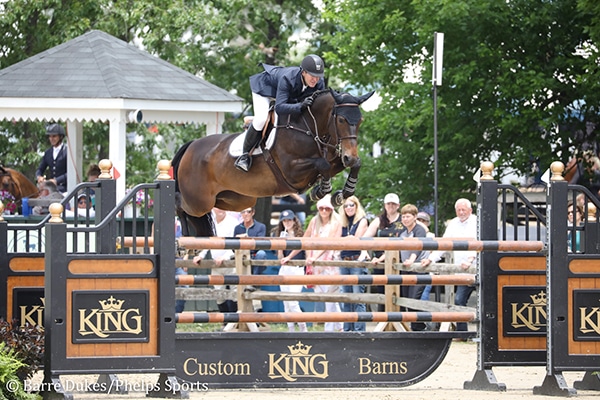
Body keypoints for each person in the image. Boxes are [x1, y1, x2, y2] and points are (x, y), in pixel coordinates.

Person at [234, 54, 326, 172]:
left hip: (287, 94)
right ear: (303, 72)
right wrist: (299, 106)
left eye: (318, 76)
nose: (315, 79)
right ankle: (244, 156)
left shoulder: (319, 83)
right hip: (265, 90)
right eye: (312, 76)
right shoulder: (288, 79)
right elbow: (280, 108)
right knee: (262, 118)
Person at [282, 195, 342, 332]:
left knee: (330, 297)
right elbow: (304, 240)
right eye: (321, 208)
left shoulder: (336, 222)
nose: (324, 211)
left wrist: (314, 257)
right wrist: (290, 256)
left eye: (327, 208)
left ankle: (330, 329)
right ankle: (340, 326)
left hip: (329, 263)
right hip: (315, 263)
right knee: (326, 297)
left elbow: (329, 243)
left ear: (331, 210)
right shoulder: (315, 221)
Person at [421, 198, 477, 333]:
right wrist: (431, 259)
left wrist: (470, 259)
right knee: (459, 300)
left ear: (470, 210)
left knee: (486, 302)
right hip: (462, 271)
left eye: (464, 209)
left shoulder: (477, 221)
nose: (461, 212)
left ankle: (485, 333)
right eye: (459, 210)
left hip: (478, 267)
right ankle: (462, 332)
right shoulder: (453, 223)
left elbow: (479, 242)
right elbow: (445, 244)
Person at [360, 193, 404, 311]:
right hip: (380, 263)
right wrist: (364, 251)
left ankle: (399, 320)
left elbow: (419, 229)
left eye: (393, 204)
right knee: (382, 293)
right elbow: (365, 238)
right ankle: (383, 321)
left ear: (398, 205)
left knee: (400, 293)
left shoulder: (403, 219)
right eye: (388, 204)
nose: (391, 206)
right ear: (384, 205)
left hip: (398, 263)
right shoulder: (378, 221)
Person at [193, 208, 239, 313]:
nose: (221, 209)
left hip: (231, 262)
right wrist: (201, 255)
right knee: (218, 292)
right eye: (218, 206)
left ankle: (235, 321)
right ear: (213, 208)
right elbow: (208, 241)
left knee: (235, 291)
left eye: (223, 206)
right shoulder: (210, 221)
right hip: (215, 263)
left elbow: (236, 244)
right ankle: (225, 321)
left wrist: (225, 257)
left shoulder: (233, 222)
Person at [272, 209, 307, 332]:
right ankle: (291, 330)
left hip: (297, 269)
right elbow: (280, 258)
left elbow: (300, 247)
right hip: (285, 269)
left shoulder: (300, 234)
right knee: (286, 302)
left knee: (293, 301)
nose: (287, 222)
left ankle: (303, 329)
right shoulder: (281, 234)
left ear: (294, 220)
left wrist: (289, 257)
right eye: (284, 220)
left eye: (289, 220)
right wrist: (280, 245)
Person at [338, 195, 369, 331]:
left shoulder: (362, 221)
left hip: (357, 260)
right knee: (346, 298)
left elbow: (355, 240)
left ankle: (359, 330)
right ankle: (347, 330)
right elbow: (336, 239)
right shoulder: (342, 222)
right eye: (346, 206)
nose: (349, 208)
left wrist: (346, 240)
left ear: (357, 206)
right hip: (344, 261)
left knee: (358, 298)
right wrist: (346, 239)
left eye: (351, 205)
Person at [398, 204, 430, 331]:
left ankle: (420, 327)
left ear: (415, 217)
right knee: (406, 301)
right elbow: (393, 247)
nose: (405, 219)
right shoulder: (403, 232)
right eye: (403, 216)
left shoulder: (419, 230)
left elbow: (418, 246)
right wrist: (380, 258)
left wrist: (411, 259)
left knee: (413, 300)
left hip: (418, 270)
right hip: (407, 271)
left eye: (408, 216)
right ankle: (417, 327)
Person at [234, 206, 267, 299]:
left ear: (253, 213)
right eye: (243, 212)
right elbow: (233, 246)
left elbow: (260, 244)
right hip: (241, 255)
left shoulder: (261, 226)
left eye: (248, 212)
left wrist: (245, 239)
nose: (246, 214)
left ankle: (254, 282)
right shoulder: (237, 228)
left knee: (261, 254)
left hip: (255, 254)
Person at [36, 123, 68, 193]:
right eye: (50, 136)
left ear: (60, 137)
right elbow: (40, 169)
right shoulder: (48, 153)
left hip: (65, 188)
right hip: (51, 189)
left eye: (54, 136)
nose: (51, 139)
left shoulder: (66, 151)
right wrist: (39, 176)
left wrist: (56, 180)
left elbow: (70, 173)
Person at [417, 211, 436, 302]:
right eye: (418, 220)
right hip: (413, 270)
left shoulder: (431, 235)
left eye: (423, 221)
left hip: (427, 270)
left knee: (423, 298)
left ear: (427, 223)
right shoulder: (411, 233)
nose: (420, 222)